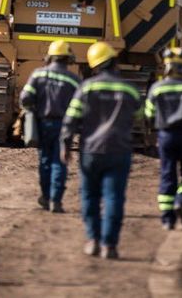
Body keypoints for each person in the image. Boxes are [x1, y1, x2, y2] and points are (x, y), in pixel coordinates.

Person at [62, 42, 139, 260]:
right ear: (114, 61)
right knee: (114, 197)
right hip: (119, 150)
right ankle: (110, 245)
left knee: (89, 195)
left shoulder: (86, 88)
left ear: (95, 66)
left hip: (91, 151)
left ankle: (93, 240)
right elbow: (142, 116)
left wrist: (65, 145)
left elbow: (70, 119)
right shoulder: (129, 89)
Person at [145, 46, 182, 230]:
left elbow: (149, 114)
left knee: (167, 175)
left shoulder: (157, 88)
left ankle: (167, 219)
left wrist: (153, 134)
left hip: (166, 136)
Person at [19, 39, 80, 213]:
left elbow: (25, 98)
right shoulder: (74, 81)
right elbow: (82, 107)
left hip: (43, 124)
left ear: (50, 57)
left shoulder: (38, 75)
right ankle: (56, 200)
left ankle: (46, 197)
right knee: (59, 162)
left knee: (45, 161)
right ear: (68, 59)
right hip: (65, 126)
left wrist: (31, 111)